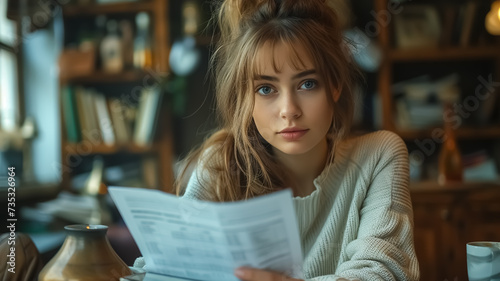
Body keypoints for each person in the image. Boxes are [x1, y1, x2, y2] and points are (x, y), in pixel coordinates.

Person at [175, 0, 420, 280]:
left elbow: (383, 271)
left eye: (307, 84)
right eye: (266, 89)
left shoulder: (378, 156)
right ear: (246, 97)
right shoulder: (220, 165)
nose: (289, 110)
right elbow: (171, 263)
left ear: (336, 84)